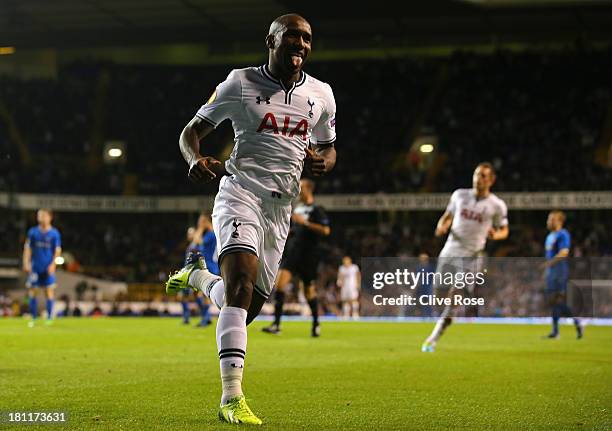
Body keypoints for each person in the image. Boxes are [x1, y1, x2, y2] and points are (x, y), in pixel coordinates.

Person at [165, 13, 336, 425]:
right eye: (292, 36)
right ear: (271, 41)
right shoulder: (239, 83)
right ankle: (231, 397)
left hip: (282, 210)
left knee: (243, 304)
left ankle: (197, 278)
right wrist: (194, 158)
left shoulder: (322, 94)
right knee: (240, 284)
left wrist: (323, 162)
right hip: (240, 192)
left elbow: (329, 148)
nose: (300, 43)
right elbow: (191, 132)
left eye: (307, 38)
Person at [421, 162, 509, 352]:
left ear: (492, 180)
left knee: (456, 294)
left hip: (473, 256)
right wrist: (441, 226)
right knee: (438, 296)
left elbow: (504, 230)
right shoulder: (459, 195)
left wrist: (497, 235)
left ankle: (433, 337)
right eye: (477, 174)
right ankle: (444, 320)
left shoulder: (497, 205)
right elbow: (446, 216)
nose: (479, 179)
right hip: (451, 250)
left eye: (484, 176)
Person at [262, 177, 331, 336]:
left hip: (308, 255)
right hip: (293, 252)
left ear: (308, 189)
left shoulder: (316, 209)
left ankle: (315, 325)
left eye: (301, 188)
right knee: (279, 285)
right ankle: (277, 325)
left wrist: (305, 223)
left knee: (308, 292)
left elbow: (326, 230)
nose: (298, 190)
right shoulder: (296, 209)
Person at [542, 211, 583, 339]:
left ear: (558, 221)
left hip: (560, 271)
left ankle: (576, 323)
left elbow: (564, 252)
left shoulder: (563, 234)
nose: (548, 222)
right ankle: (557, 331)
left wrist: (549, 264)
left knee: (559, 300)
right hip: (551, 272)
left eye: (551, 220)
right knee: (554, 302)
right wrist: (546, 271)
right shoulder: (550, 236)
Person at [22, 208, 62, 327]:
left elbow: (57, 250)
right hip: (35, 267)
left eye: (43, 215)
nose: (41, 218)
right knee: (33, 292)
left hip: (48, 267)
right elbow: (28, 248)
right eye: (39, 215)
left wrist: (53, 264)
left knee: (49, 291)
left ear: (50, 217)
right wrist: (26, 262)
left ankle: (49, 318)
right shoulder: (33, 232)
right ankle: (33, 318)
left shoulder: (54, 233)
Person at [179, 214, 217, 327]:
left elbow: (197, 241)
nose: (199, 224)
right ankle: (206, 317)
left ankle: (205, 318)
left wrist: (200, 229)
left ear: (206, 221)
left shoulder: (210, 235)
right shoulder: (210, 235)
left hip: (209, 266)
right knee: (197, 293)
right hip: (204, 266)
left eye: (201, 221)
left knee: (203, 294)